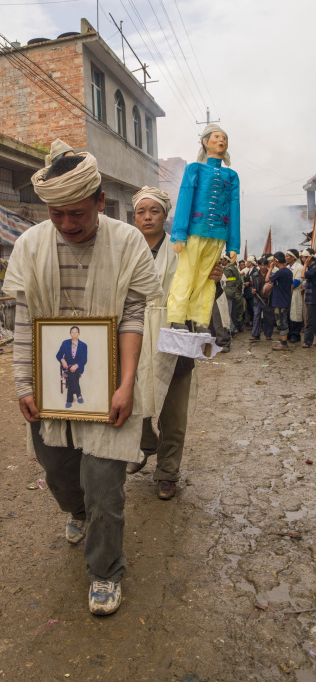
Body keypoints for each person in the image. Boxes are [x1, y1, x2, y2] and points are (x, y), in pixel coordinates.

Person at [2, 149, 162, 616]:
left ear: (99, 203)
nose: (67, 223)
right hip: (52, 384)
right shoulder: (30, 244)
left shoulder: (129, 242)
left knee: (105, 486)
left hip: (111, 381)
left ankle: (106, 571)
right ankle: (76, 513)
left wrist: (127, 383)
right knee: (58, 472)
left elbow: (133, 315)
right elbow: (25, 320)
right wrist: (23, 383)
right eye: (57, 213)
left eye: (77, 212)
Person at [127, 186, 222, 499]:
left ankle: (167, 472)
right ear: (134, 216)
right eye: (141, 211)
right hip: (135, 335)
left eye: (154, 211)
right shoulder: (124, 249)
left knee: (173, 412)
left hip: (175, 333)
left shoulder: (184, 250)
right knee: (133, 402)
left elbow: (200, 294)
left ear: (165, 216)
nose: (148, 217)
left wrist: (212, 280)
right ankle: (144, 443)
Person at [167, 124, 240, 333]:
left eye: (224, 138)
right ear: (206, 142)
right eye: (217, 137)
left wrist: (233, 243)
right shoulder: (194, 169)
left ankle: (200, 320)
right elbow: (185, 198)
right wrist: (179, 233)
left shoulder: (232, 176)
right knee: (186, 273)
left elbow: (235, 208)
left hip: (219, 233)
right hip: (195, 230)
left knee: (207, 277)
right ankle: (177, 316)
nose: (221, 141)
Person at [266, 251, 293, 351]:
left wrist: (271, 268)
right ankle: (283, 341)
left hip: (279, 300)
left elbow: (267, 279)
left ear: (276, 261)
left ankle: (284, 343)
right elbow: (291, 286)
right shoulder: (289, 272)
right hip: (285, 299)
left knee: (281, 321)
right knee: (283, 319)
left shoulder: (280, 272)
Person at [56, 325, 88, 408]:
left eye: (76, 332)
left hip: (78, 367)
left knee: (72, 374)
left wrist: (76, 365)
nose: (74, 334)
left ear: (79, 334)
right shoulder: (65, 343)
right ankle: (79, 395)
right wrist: (63, 361)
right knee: (72, 373)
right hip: (67, 367)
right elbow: (58, 355)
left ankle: (69, 399)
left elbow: (84, 360)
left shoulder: (84, 345)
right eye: (72, 332)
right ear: (70, 334)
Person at [250, 257, 275, 341]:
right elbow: (251, 286)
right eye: (261, 265)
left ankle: (268, 334)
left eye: (264, 265)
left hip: (268, 299)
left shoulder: (272, 274)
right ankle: (255, 335)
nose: (263, 267)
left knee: (268, 318)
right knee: (256, 316)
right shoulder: (254, 275)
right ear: (258, 265)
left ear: (267, 265)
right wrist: (252, 290)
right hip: (257, 299)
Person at [286, 249, 304, 343]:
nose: (286, 258)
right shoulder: (287, 267)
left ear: (293, 257)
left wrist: (287, 287)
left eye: (287, 256)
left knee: (295, 314)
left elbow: (297, 281)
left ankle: (295, 335)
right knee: (288, 314)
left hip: (295, 293)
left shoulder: (299, 267)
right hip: (288, 293)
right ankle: (289, 333)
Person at [222, 255, 243, 334]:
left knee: (228, 311)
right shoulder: (232, 268)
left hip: (228, 292)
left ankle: (230, 329)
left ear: (226, 260)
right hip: (230, 292)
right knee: (229, 311)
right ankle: (231, 328)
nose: (221, 261)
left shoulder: (228, 268)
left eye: (223, 259)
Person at [301, 248, 316, 348]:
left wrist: (305, 265)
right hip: (311, 298)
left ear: (309, 258)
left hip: (314, 299)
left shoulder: (313, 268)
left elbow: (302, 275)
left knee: (310, 321)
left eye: (304, 257)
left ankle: (307, 341)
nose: (302, 259)